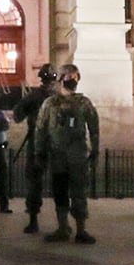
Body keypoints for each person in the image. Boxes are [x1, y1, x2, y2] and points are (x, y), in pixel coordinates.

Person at [34, 62, 100, 244]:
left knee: (79, 192)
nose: (73, 80)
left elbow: (94, 128)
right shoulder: (50, 103)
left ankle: (81, 229)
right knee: (60, 191)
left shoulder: (83, 103)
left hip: (78, 155)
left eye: (75, 77)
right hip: (58, 156)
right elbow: (40, 129)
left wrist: (95, 150)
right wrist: (39, 152)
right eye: (69, 77)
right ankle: (62, 227)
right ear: (61, 79)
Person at [12, 63, 57, 233]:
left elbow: (17, 114)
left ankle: (34, 220)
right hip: (49, 143)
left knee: (36, 183)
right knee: (44, 183)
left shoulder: (35, 96)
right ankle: (57, 222)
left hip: (42, 143)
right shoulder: (56, 96)